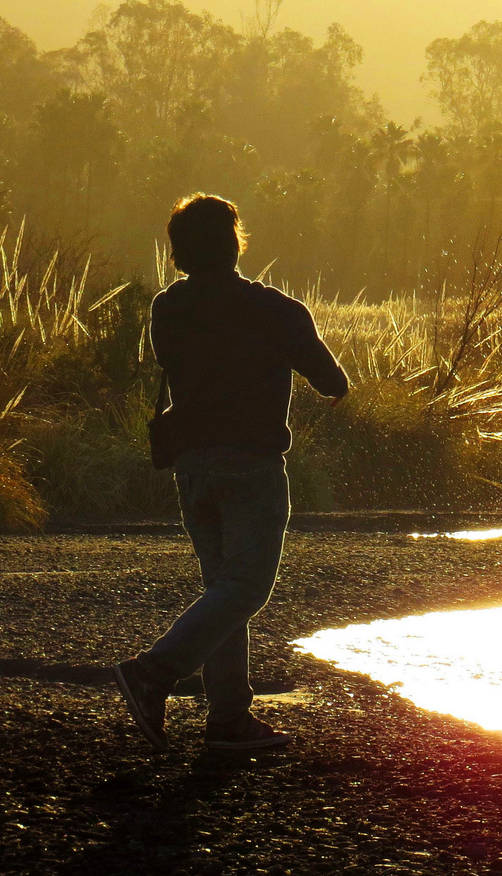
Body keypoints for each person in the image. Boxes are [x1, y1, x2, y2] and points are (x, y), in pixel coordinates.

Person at [114, 194, 349, 753]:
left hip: (193, 466)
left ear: (179, 251)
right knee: (245, 586)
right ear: (235, 240)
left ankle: (227, 720)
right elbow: (332, 381)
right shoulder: (276, 310)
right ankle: (155, 672)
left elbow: (177, 363)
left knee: (222, 591)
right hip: (251, 465)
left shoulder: (168, 308)